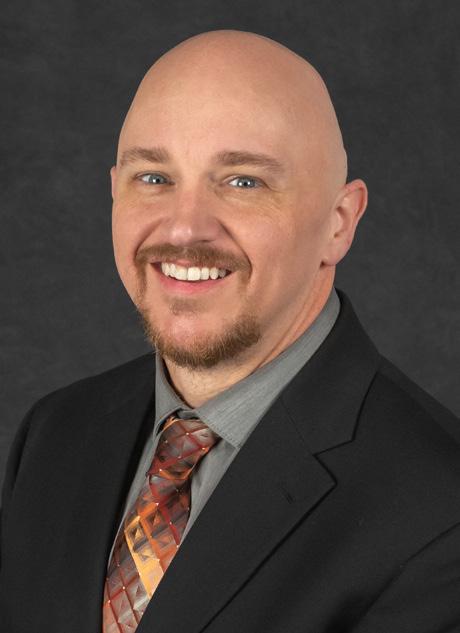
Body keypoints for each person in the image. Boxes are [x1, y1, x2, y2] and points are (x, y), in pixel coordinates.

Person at [1, 29, 459, 633]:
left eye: (243, 181)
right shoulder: (56, 432)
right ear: (114, 192)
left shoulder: (440, 514)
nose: (184, 229)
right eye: (154, 178)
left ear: (339, 223)